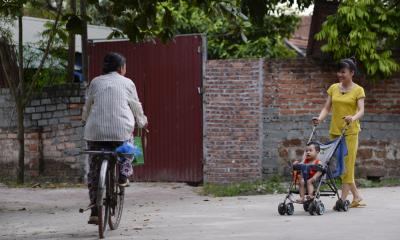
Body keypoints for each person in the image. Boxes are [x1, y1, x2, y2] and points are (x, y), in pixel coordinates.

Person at [82, 52, 148, 224]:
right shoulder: (128, 83)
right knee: (129, 145)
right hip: (120, 133)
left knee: (94, 171)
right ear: (121, 68)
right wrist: (141, 121)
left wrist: (84, 120)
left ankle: (95, 210)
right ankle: (124, 173)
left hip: (95, 133)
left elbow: (88, 105)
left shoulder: (95, 82)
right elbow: (136, 106)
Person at [312, 57, 366, 208]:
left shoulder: (358, 90)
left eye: (343, 72)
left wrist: (352, 118)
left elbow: (361, 110)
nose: (340, 75)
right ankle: (356, 196)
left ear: (352, 73)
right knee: (341, 165)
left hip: (350, 132)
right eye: (339, 72)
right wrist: (320, 118)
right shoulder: (334, 88)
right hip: (335, 131)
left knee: (347, 166)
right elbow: (327, 108)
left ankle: (342, 200)